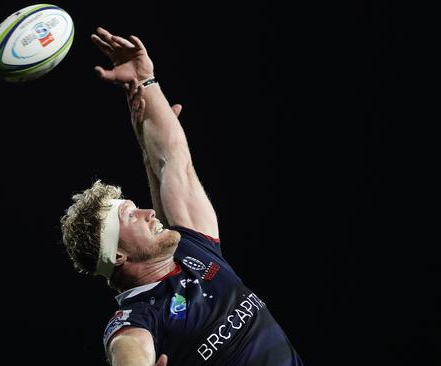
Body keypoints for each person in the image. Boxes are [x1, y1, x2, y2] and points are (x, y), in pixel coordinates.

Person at [60, 27, 303, 366]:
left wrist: (146, 81)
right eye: (131, 217)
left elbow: (173, 162)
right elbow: (129, 351)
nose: (148, 213)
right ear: (116, 256)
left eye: (136, 208)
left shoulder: (192, 248)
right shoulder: (138, 320)